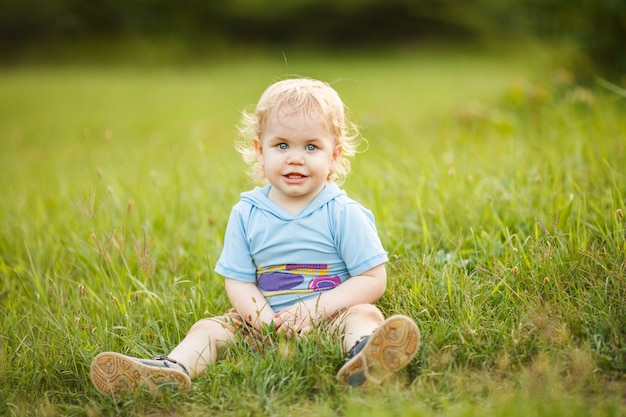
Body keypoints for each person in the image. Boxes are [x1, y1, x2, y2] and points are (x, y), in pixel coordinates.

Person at [90, 77, 421, 397]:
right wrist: (262, 319)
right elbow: (239, 281)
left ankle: (363, 355)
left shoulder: (341, 212)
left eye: (311, 146)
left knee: (364, 315)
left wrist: (315, 310)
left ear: (333, 155)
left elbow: (372, 278)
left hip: (331, 317)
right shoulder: (247, 213)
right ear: (259, 150)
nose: (295, 157)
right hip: (263, 324)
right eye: (281, 145)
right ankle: (172, 368)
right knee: (208, 328)